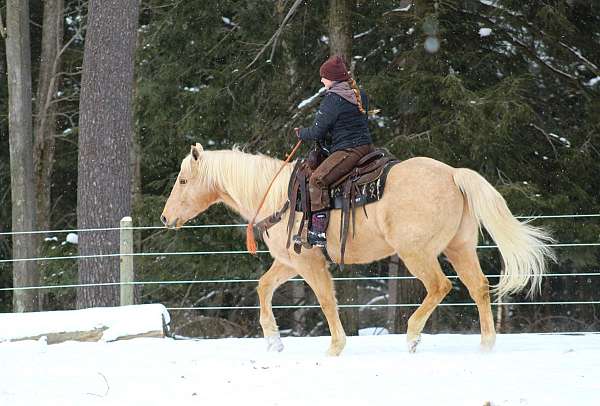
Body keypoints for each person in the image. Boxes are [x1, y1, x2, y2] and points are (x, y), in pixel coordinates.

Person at [294, 55, 374, 247]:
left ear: (333, 78)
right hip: (366, 146)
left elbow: (316, 131)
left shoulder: (333, 99)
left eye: (324, 77)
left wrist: (300, 133)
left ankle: (318, 231)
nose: (322, 80)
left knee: (316, 179)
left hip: (348, 150)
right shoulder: (358, 94)